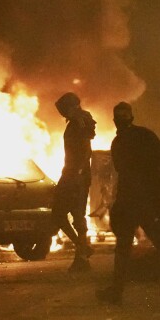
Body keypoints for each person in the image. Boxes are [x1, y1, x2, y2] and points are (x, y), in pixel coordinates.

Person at [96, 102, 160, 304]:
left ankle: (117, 292)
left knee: (123, 249)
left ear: (116, 121)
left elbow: (124, 172)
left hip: (133, 201)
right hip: (148, 201)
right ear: (132, 118)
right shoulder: (146, 136)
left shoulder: (119, 143)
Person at [53, 92, 96, 272]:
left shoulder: (79, 122)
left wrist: (77, 173)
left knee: (72, 213)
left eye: (63, 110)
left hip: (75, 174)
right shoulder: (80, 120)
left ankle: (82, 256)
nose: (62, 114)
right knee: (63, 212)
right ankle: (82, 248)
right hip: (73, 173)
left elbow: (86, 150)